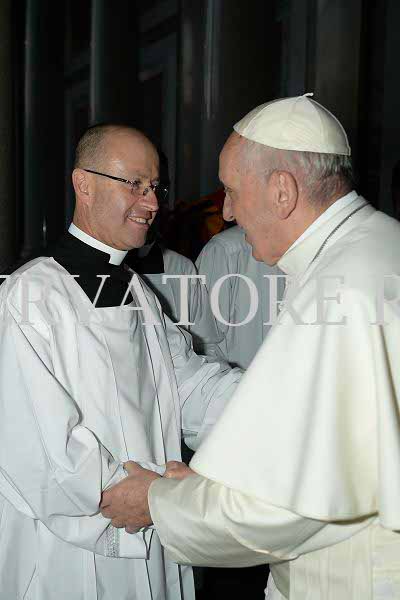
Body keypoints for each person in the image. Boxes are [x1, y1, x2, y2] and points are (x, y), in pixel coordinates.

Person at [101, 95, 400, 599]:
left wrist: (160, 503)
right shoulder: (379, 244)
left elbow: (289, 506)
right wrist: (208, 486)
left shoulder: (342, 289)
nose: (227, 211)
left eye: (232, 191)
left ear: (282, 191)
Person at [0, 124, 242, 600]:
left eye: (155, 188)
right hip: (72, 545)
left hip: (149, 518)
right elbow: (35, 446)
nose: (151, 203)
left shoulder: (138, 293)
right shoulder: (29, 298)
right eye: (134, 184)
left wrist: (275, 400)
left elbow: (188, 387)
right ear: (84, 184)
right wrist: (134, 497)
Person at [196, 221, 283, 368]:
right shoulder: (223, 250)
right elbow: (203, 339)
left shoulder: (308, 247)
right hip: (241, 377)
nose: (227, 214)